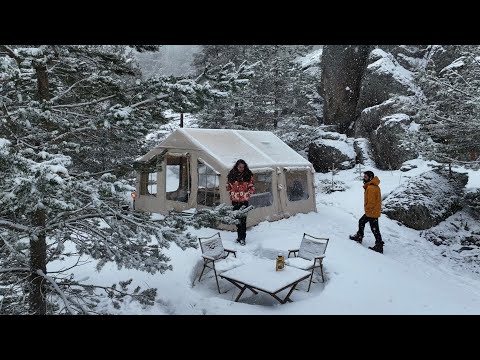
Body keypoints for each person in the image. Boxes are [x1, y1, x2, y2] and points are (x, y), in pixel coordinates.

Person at [349, 170, 385, 253]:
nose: (364, 178)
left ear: (370, 178)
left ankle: (379, 245)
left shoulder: (371, 187)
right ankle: (359, 236)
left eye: (365, 177)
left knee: (374, 229)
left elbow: (371, 202)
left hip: (372, 212)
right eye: (364, 177)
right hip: (372, 211)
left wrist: (368, 210)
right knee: (362, 222)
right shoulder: (372, 186)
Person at [226, 159, 255, 246]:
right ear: (237, 167)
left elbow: (252, 187)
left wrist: (247, 194)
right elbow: (227, 186)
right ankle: (239, 237)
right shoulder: (232, 175)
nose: (241, 169)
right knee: (237, 219)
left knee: (243, 220)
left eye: (243, 167)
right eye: (240, 167)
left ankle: (243, 238)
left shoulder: (248, 175)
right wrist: (232, 191)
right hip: (235, 200)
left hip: (244, 200)